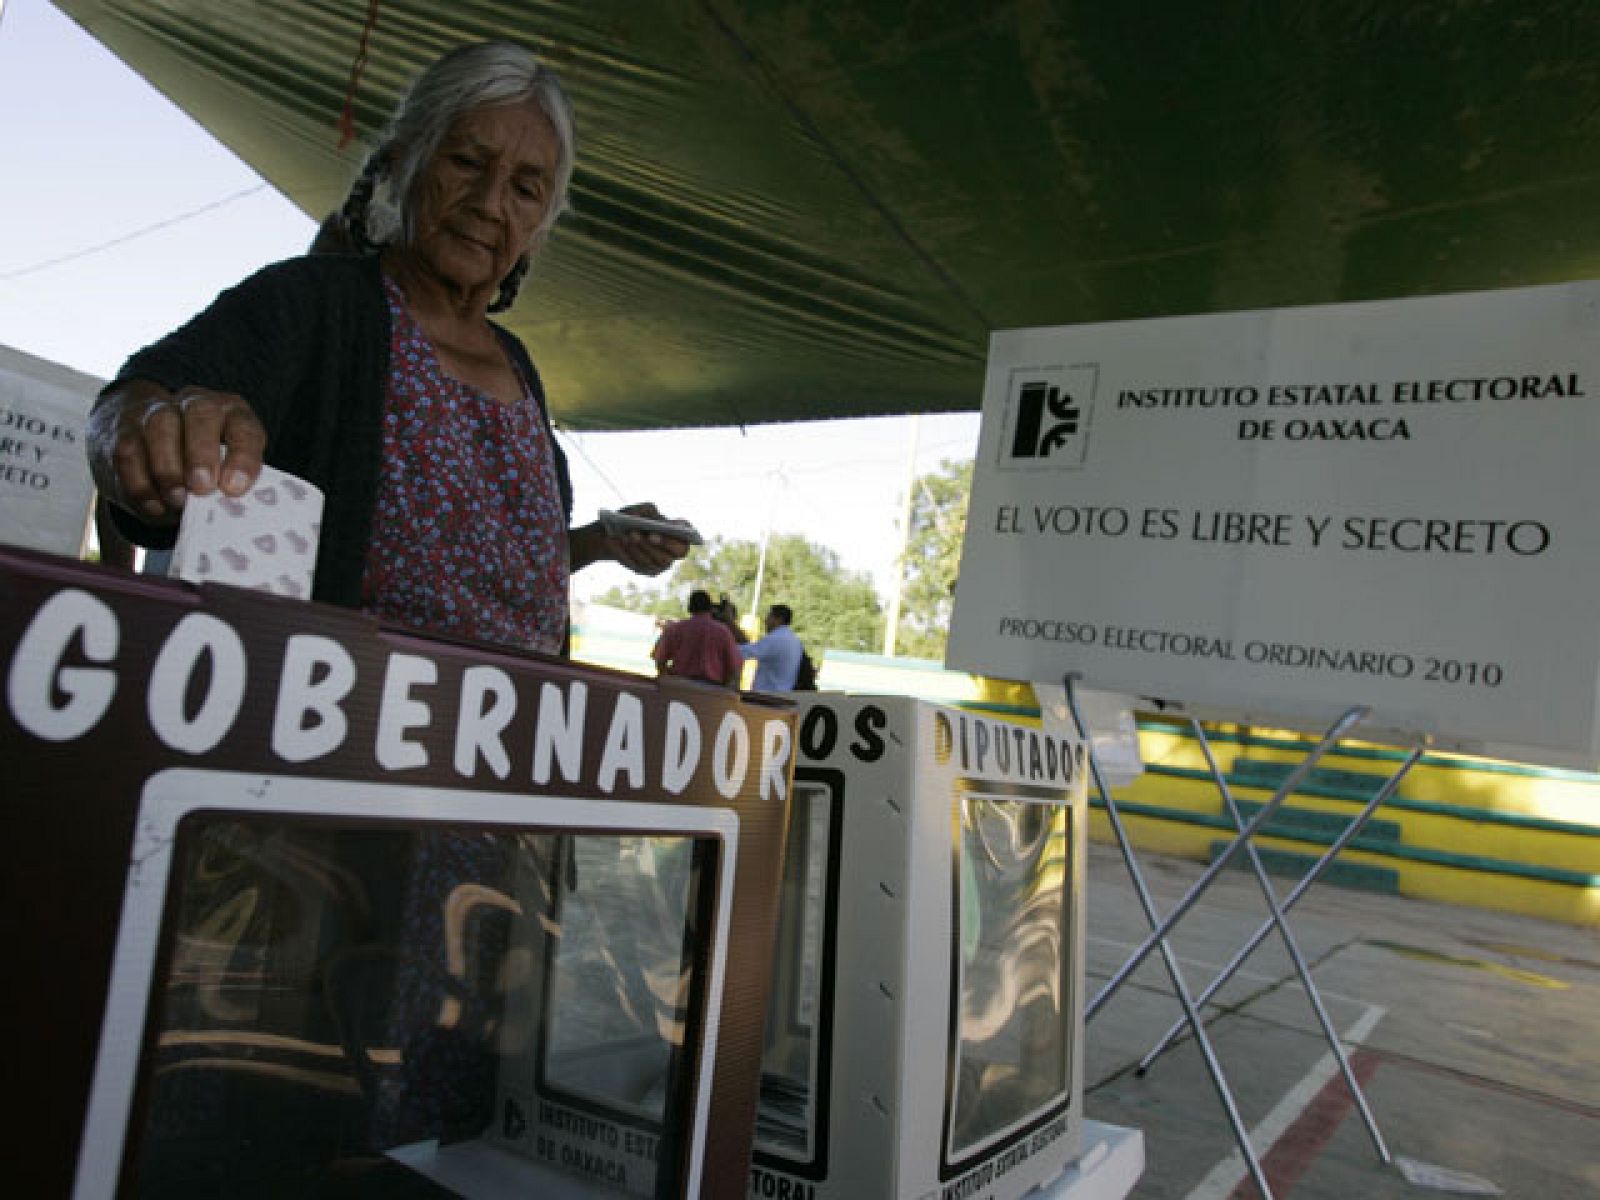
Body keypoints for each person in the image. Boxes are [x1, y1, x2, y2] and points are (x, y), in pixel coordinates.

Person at [85, 41, 690, 655]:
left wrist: (599, 541)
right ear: (406, 162)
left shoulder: (518, 367)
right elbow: (130, 404)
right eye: (466, 162)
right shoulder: (317, 304)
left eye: (525, 189)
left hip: (507, 735)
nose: (488, 203)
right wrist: (146, 436)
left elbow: (483, 572)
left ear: (539, 227)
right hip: (342, 725)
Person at [652, 589, 743, 686]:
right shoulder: (723, 632)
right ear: (710, 608)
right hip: (710, 690)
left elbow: (659, 660)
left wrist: (669, 680)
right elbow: (735, 668)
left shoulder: (674, 629)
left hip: (678, 686)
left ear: (689, 608)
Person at [740, 603, 806, 691]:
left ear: (779, 619)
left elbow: (743, 652)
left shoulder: (775, 638)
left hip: (764, 696)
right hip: (783, 694)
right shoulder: (795, 641)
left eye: (769, 616)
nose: (766, 621)